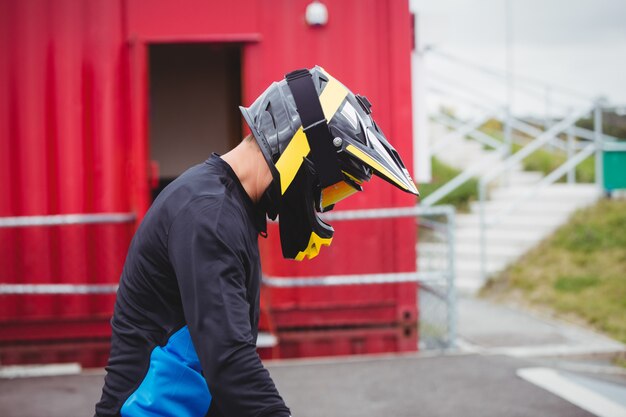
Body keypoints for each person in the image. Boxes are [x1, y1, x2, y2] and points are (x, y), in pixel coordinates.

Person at [95, 66, 418, 417]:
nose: (324, 201)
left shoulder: (229, 206)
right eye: (332, 185)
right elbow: (229, 360)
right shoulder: (209, 215)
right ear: (302, 154)